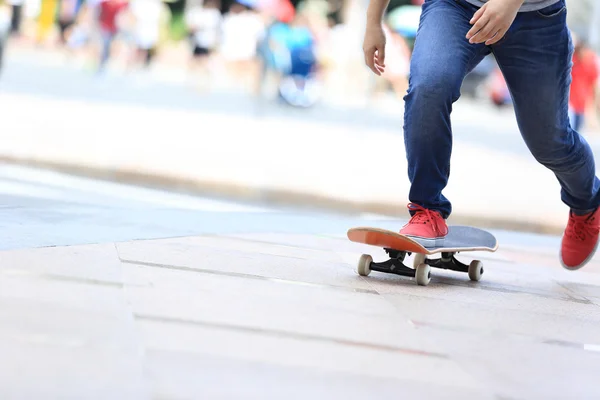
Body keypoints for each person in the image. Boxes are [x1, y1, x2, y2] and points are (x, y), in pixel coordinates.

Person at [362, 0, 600, 271]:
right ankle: (426, 208)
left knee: (548, 140)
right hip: (454, 7)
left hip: (536, 17)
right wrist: (373, 22)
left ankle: (586, 201)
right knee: (430, 86)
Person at [568, 34, 599, 132]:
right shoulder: (572, 58)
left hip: (581, 103)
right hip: (568, 102)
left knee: (575, 131)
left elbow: (594, 84)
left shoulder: (591, 61)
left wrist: (594, 104)